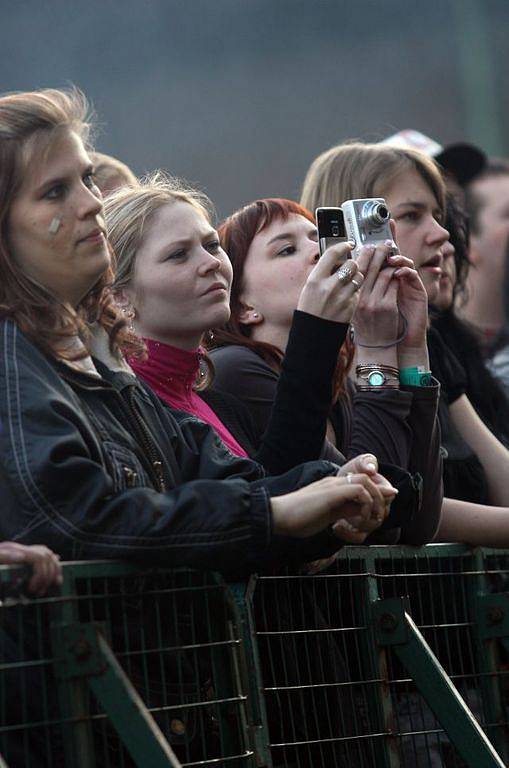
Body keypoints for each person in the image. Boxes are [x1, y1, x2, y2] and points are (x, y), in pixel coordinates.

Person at [0, 87, 401, 585]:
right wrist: (277, 514)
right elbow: (75, 519)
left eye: (85, 179)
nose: (91, 202)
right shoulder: (13, 361)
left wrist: (333, 492)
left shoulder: (98, 361)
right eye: (54, 191)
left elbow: (233, 477)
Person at [105, 175, 425, 542]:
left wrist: (413, 350)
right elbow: (269, 510)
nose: (210, 262)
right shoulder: (139, 399)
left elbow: (406, 517)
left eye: (211, 245)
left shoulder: (214, 399)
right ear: (119, 297)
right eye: (179, 254)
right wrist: (321, 333)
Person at [300, 140, 509, 545]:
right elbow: (377, 505)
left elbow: (489, 470)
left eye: (439, 214)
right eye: (410, 215)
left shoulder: (429, 339)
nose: (442, 234)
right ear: (350, 230)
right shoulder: (320, 354)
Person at [209, 197, 443, 544]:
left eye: (317, 238)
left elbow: (417, 522)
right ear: (243, 306)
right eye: (286, 249)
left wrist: (410, 348)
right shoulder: (235, 368)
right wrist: (375, 349)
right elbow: (370, 519)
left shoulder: (339, 380)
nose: (318, 253)